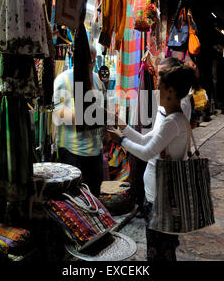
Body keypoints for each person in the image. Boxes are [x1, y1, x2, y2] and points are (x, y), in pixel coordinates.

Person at [107, 59, 196, 261]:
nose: (156, 93)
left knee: (159, 251)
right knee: (162, 249)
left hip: (160, 198)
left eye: (159, 88)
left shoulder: (172, 121)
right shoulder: (173, 118)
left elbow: (147, 152)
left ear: (171, 92)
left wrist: (121, 141)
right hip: (159, 194)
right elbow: (147, 140)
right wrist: (123, 127)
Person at [52, 45, 105, 197]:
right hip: (72, 150)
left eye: (94, 61)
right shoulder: (63, 80)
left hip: (95, 149)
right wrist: (88, 117)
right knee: (74, 197)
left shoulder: (96, 78)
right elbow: (59, 113)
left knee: (94, 194)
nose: (92, 64)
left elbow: (99, 107)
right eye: (89, 61)